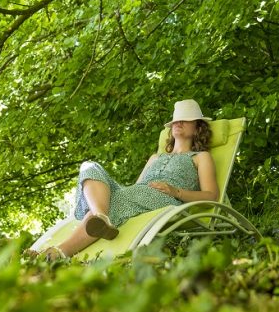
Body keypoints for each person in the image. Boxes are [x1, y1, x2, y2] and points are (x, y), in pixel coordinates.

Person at [34, 99, 219, 261]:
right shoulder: (156, 157)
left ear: (197, 127)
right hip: (137, 194)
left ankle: (57, 251)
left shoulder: (200, 157)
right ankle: (101, 217)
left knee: (114, 202)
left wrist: (176, 191)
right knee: (89, 167)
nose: (178, 122)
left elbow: (211, 196)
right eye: (176, 119)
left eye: (185, 119)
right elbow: (137, 186)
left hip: (163, 200)